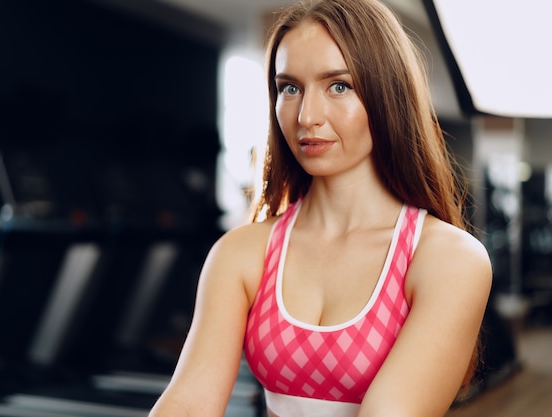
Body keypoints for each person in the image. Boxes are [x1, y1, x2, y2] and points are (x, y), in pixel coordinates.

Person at [149, 0, 492, 416]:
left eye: (339, 86)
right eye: (289, 88)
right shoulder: (241, 252)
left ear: (387, 95)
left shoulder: (448, 260)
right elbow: (188, 402)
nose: (307, 116)